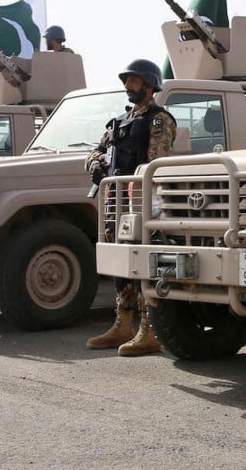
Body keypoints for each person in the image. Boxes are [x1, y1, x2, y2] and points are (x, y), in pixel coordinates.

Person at [85, 58, 177, 356]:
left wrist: (128, 182)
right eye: (127, 81)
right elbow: (95, 151)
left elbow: (155, 164)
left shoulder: (159, 120)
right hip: (115, 201)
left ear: (149, 86)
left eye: (134, 81)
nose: (128, 85)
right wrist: (97, 165)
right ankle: (122, 324)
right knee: (119, 262)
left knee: (141, 262)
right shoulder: (118, 122)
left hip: (141, 201)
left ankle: (149, 330)